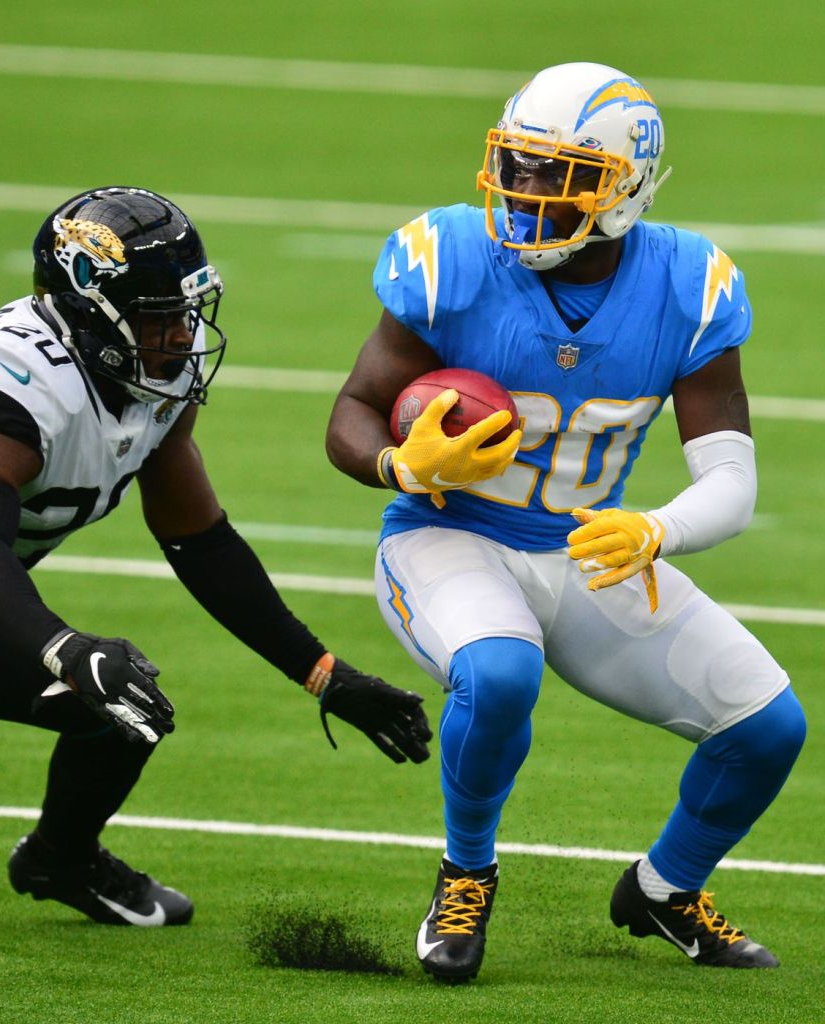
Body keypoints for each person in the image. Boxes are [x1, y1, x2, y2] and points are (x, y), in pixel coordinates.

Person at [0, 185, 432, 928]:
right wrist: (66, 650)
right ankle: (61, 859)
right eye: (159, 317)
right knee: (113, 703)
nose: (184, 335)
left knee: (123, 709)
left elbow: (199, 541)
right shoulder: (12, 388)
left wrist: (323, 673)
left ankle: (57, 858)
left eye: (187, 311)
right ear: (89, 313)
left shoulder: (152, 371)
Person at [325, 63, 806, 981]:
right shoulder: (452, 256)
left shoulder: (691, 283)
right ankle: (467, 873)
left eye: (559, 173)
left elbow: (731, 482)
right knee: (499, 673)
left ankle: (664, 889)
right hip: (448, 537)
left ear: (625, 188)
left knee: (767, 727)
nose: (525, 189)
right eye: (518, 163)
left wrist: (655, 530)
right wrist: (400, 465)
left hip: (586, 548)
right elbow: (351, 412)